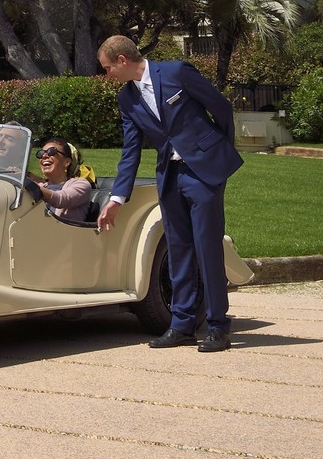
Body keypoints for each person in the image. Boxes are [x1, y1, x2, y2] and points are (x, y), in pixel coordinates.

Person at [96, 35, 242, 353]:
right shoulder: (127, 100)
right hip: (170, 176)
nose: (107, 75)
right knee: (178, 251)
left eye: (107, 68)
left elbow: (220, 107)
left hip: (203, 173)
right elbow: (130, 152)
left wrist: (218, 154)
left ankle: (218, 327)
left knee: (207, 249)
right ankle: (182, 326)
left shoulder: (176, 72)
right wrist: (117, 198)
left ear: (122, 60)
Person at [29, 139, 92, 222]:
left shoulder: (82, 184)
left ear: (67, 162)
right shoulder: (41, 185)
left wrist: (29, 184)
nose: (44, 156)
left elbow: (60, 199)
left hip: (65, 234)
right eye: (40, 153)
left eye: (51, 152)